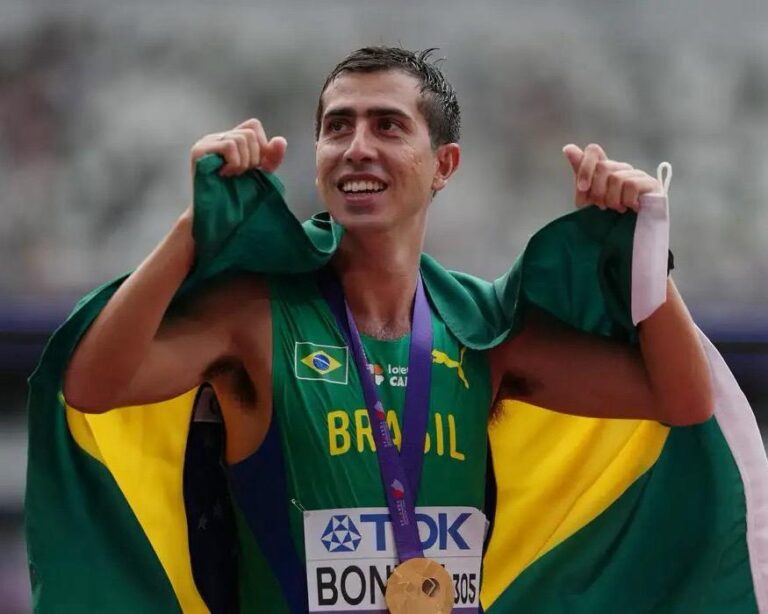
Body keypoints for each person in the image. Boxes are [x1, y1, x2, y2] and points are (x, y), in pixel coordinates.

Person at [61, 47, 714, 610]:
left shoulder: (482, 327)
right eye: (337, 127)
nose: (357, 147)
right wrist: (189, 233)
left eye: (388, 126)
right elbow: (92, 385)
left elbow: (682, 398)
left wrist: (646, 257)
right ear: (316, 154)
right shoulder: (254, 316)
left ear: (444, 165)